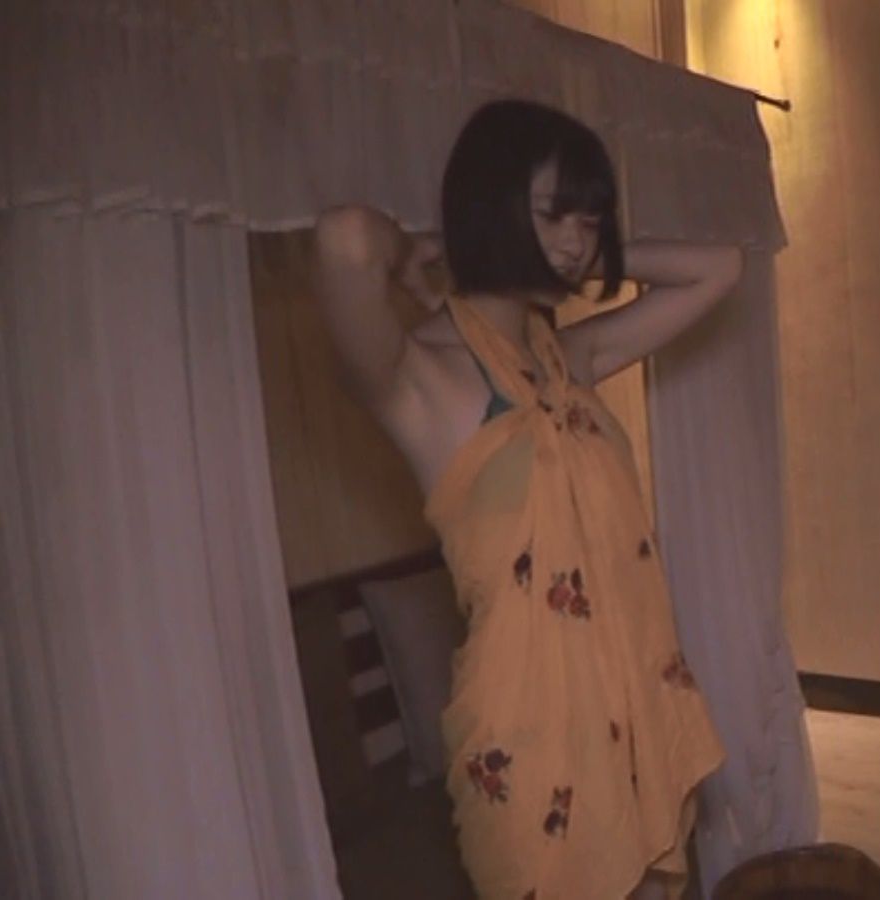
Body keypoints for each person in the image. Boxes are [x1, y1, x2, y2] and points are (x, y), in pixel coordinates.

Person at [312, 99, 743, 900]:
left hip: (632, 716)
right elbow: (343, 238)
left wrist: (586, 252)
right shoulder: (422, 378)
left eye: (591, 219)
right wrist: (426, 249)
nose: (577, 240)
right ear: (490, 206)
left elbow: (721, 268)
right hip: (526, 751)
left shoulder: (569, 359)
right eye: (554, 214)